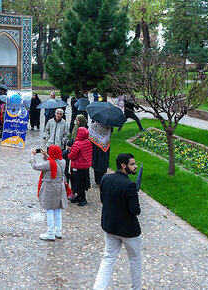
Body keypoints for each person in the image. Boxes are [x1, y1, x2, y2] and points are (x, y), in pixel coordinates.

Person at [93, 153, 142, 290]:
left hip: (110, 226)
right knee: (135, 259)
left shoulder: (105, 178)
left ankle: (98, 287)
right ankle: (136, 288)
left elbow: (103, 200)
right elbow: (135, 211)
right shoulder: (129, 185)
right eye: (132, 164)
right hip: (129, 231)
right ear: (123, 165)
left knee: (108, 258)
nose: (135, 166)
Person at [30, 145, 68, 240]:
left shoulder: (48, 164)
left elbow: (35, 166)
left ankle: (50, 232)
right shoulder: (63, 161)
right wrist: (46, 155)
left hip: (50, 188)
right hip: (60, 187)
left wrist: (32, 156)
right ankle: (58, 231)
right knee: (57, 210)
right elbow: (54, 162)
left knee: (49, 209)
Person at [68, 127, 93, 206]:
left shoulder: (77, 143)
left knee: (78, 183)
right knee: (82, 183)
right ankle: (79, 197)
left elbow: (72, 156)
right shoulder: (88, 142)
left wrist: (68, 154)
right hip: (85, 166)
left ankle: (82, 199)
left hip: (78, 167)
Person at [90, 120, 113, 185]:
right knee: (103, 162)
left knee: (96, 162)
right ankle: (102, 178)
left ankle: (97, 179)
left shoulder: (93, 126)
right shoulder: (109, 126)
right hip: (104, 148)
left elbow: (89, 134)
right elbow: (111, 132)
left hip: (95, 148)